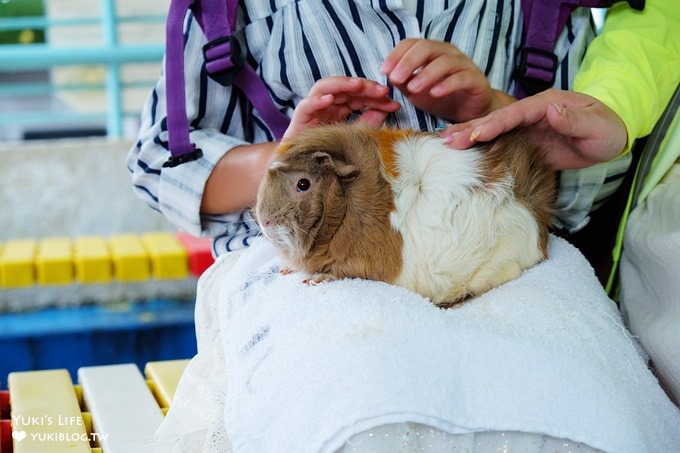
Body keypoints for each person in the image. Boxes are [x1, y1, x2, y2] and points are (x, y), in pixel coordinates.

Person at [127, 0, 595, 254]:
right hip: (295, 274)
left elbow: (600, 178)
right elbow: (157, 162)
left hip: (494, 261)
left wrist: (494, 110)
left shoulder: (542, 10)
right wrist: (292, 158)